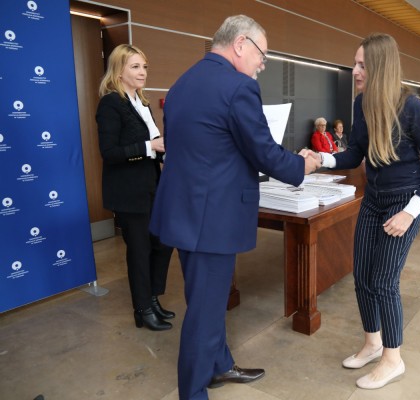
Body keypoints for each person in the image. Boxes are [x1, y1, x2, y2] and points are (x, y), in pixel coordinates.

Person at [148, 15, 321, 400]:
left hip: (184, 212)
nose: (263, 63)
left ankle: (220, 364)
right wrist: (303, 165)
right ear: (240, 44)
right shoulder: (238, 87)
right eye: (262, 54)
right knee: (204, 311)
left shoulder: (181, 83)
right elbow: (263, 152)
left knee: (204, 300)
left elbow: (196, 150)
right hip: (211, 219)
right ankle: (193, 392)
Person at [318, 33, 420, 390]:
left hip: (404, 202)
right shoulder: (361, 104)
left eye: (362, 65)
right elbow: (354, 154)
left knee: (384, 282)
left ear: (380, 66)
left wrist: (410, 213)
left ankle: (393, 359)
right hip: (373, 200)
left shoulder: (411, 107)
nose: (355, 70)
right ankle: (373, 344)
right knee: (362, 277)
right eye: (355, 63)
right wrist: (320, 160)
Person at [96, 44, 174, 332]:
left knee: (163, 244)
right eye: (135, 67)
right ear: (119, 70)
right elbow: (109, 152)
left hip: (153, 186)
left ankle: (152, 299)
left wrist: (166, 150)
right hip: (129, 192)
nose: (142, 72)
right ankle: (142, 309)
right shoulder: (110, 104)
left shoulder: (141, 102)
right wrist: (148, 146)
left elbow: (154, 148)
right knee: (139, 251)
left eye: (144, 67)